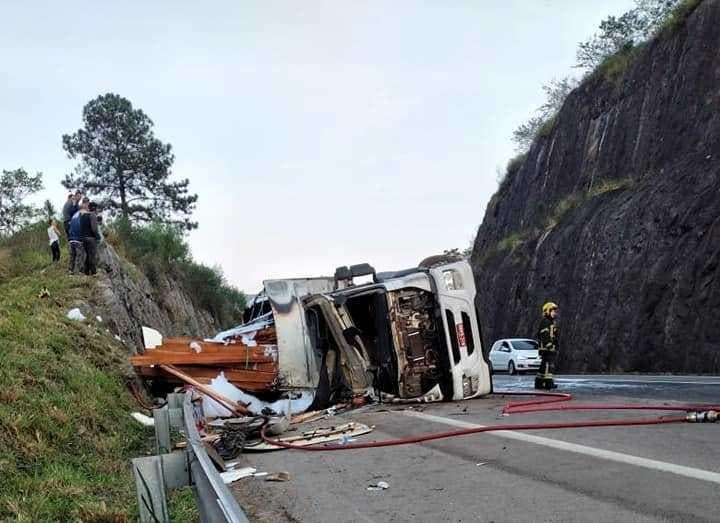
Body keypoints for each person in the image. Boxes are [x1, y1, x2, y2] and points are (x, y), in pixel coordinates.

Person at [535, 302, 559, 390]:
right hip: (547, 348)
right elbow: (544, 335)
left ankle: (539, 383)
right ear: (548, 311)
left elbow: (553, 335)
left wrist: (556, 343)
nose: (554, 313)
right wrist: (550, 346)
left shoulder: (550, 322)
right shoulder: (546, 322)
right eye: (553, 311)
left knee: (543, 366)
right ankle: (549, 383)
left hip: (547, 348)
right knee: (549, 365)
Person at [79, 198, 101, 275]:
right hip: (91, 239)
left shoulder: (83, 216)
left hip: (83, 238)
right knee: (92, 256)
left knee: (88, 256)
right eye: (97, 208)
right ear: (94, 208)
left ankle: (86, 273)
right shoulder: (92, 215)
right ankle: (94, 273)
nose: (97, 210)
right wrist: (98, 237)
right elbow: (94, 229)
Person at [67, 204, 84, 275]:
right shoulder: (82, 215)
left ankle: (70, 270)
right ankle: (79, 271)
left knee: (72, 256)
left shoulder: (74, 216)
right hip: (78, 239)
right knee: (80, 256)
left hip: (71, 239)